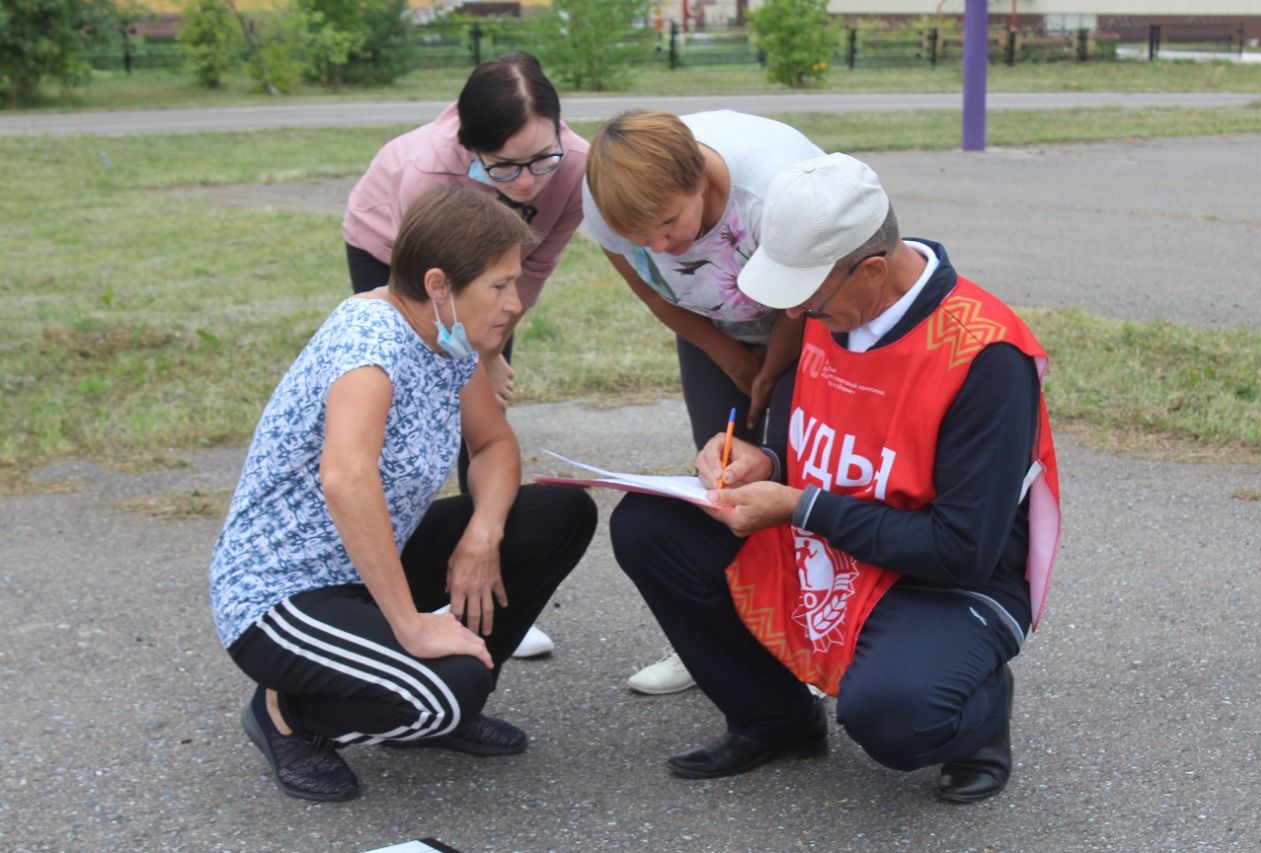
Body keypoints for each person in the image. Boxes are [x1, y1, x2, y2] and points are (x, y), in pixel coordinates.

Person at [609, 153, 1061, 803]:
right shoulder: (835, 307)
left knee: (894, 716)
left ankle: (981, 716)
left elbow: (962, 550)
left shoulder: (987, 356)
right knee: (650, 526)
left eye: (809, 296)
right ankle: (776, 719)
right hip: (833, 531)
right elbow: (830, 455)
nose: (795, 314)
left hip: (941, 578)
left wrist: (798, 504)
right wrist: (762, 464)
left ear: (873, 269)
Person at [210, 186, 598, 802]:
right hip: (284, 593)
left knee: (560, 513)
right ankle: (286, 713)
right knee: (447, 690)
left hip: (366, 562)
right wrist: (410, 625)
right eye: (499, 286)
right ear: (440, 283)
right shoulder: (371, 347)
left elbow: (495, 446)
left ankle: (431, 690)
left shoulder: (446, 337)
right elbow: (346, 477)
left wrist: (484, 532)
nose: (515, 302)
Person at [343, 50, 588, 659]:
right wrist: (473, 357)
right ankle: (398, 580)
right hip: (396, 251)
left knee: (479, 424)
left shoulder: (577, 165)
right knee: (414, 411)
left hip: (493, 275)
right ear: (471, 148)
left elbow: (532, 267)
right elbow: (432, 295)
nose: (530, 182)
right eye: (507, 167)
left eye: (541, 159)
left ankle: (481, 581)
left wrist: (495, 347)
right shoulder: (428, 170)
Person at [582, 109, 824, 694]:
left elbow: (808, 296)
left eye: (669, 223)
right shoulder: (610, 208)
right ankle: (718, 638)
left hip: (814, 320)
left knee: (795, 475)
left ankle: (815, 639)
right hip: (712, 327)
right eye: (645, 238)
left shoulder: (774, 189)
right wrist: (733, 360)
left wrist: (770, 369)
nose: (662, 245)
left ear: (699, 178)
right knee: (722, 481)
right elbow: (656, 294)